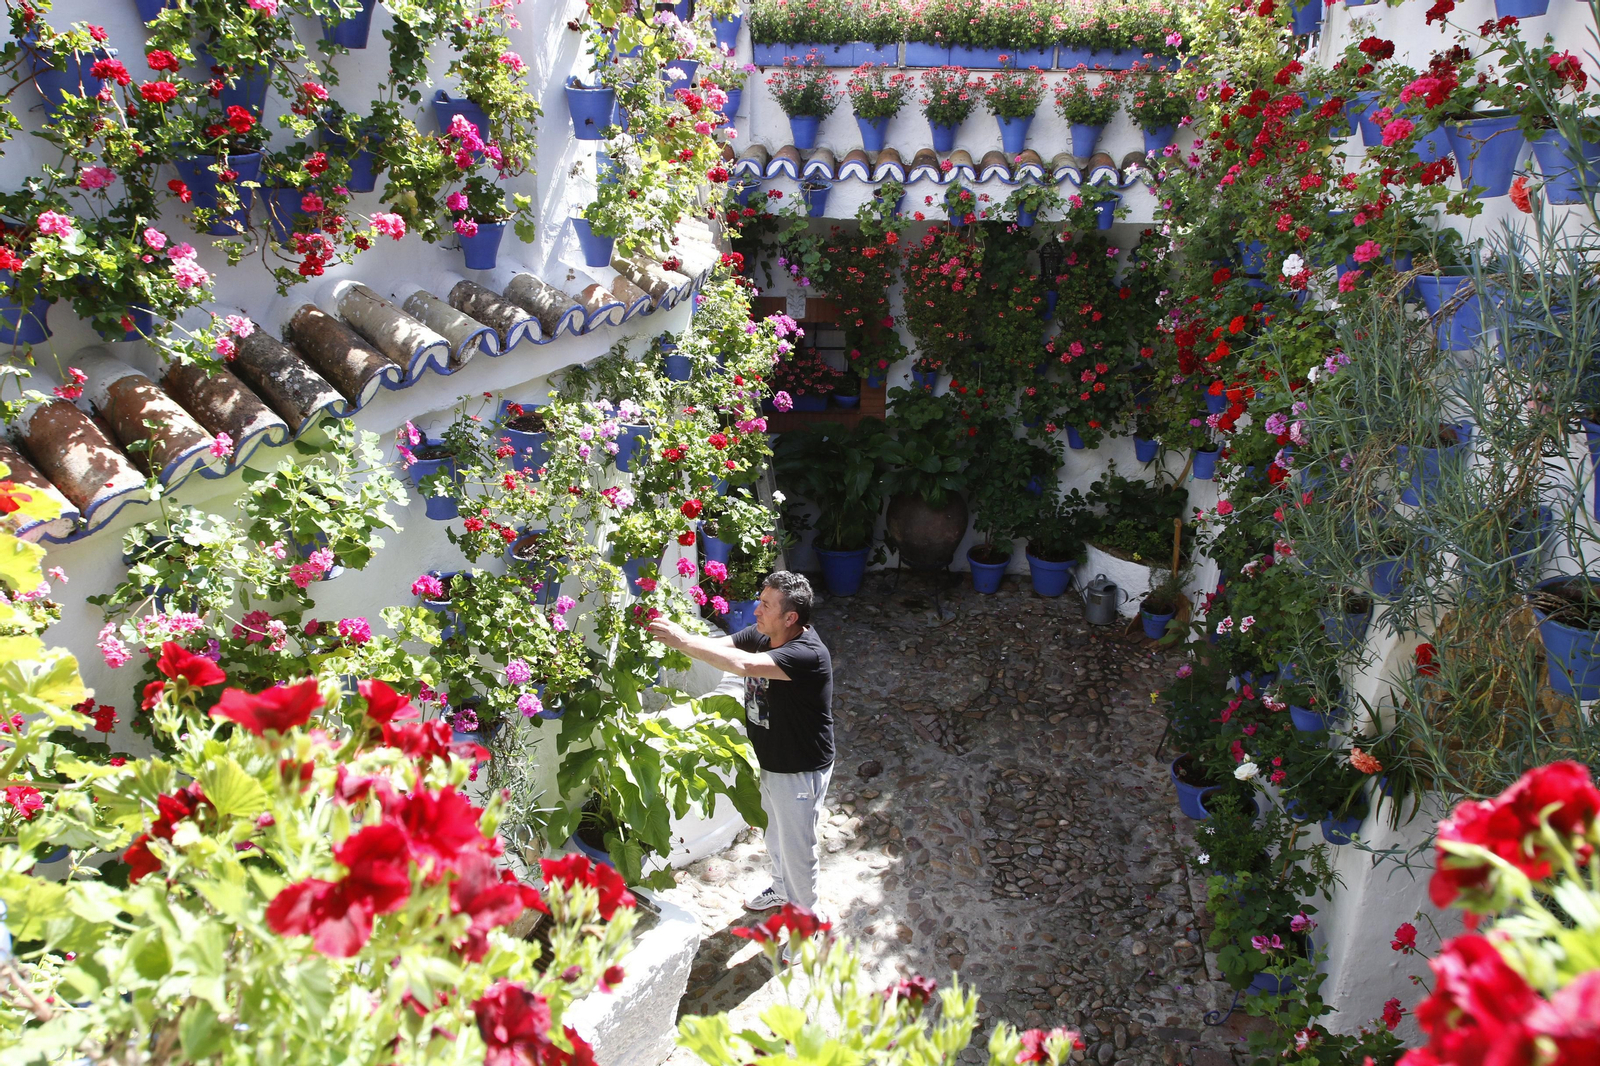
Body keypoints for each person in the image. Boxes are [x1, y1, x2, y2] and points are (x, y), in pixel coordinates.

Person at [646, 570, 834, 925]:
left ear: (790, 617)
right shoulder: (763, 635)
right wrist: (679, 638)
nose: (755, 611)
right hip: (771, 760)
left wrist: (683, 641)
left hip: (799, 768)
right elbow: (721, 649)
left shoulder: (807, 655)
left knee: (798, 850)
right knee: (775, 835)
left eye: (765, 605)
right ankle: (782, 889)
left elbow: (742, 664)